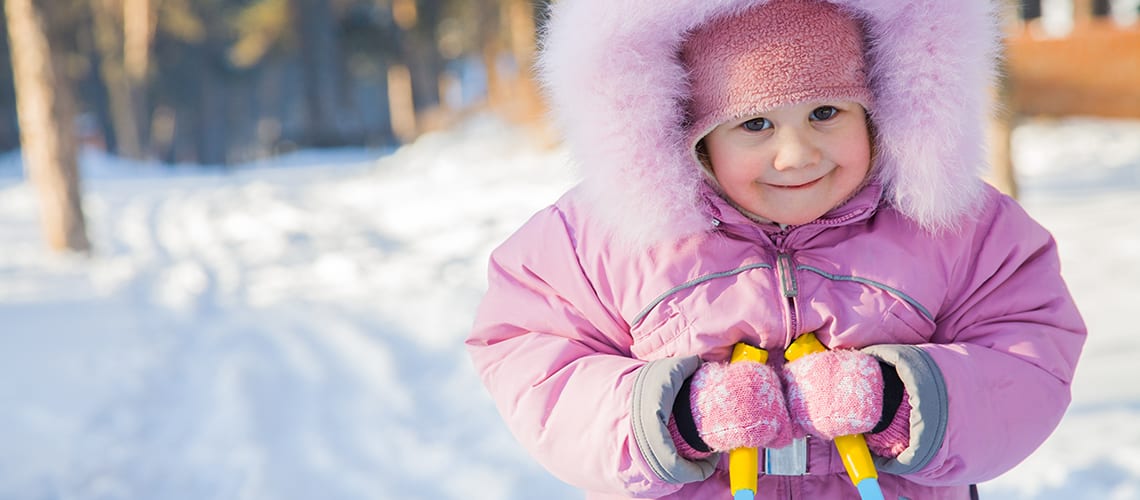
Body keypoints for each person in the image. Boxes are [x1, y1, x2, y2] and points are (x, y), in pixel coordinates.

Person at [466, 0, 1086, 498]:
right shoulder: (608, 239)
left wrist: (899, 399)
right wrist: (676, 416)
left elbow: (1029, 352)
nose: (797, 154)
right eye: (755, 124)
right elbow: (531, 355)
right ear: (693, 137)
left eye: (825, 111)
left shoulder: (953, 228)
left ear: (879, 112)